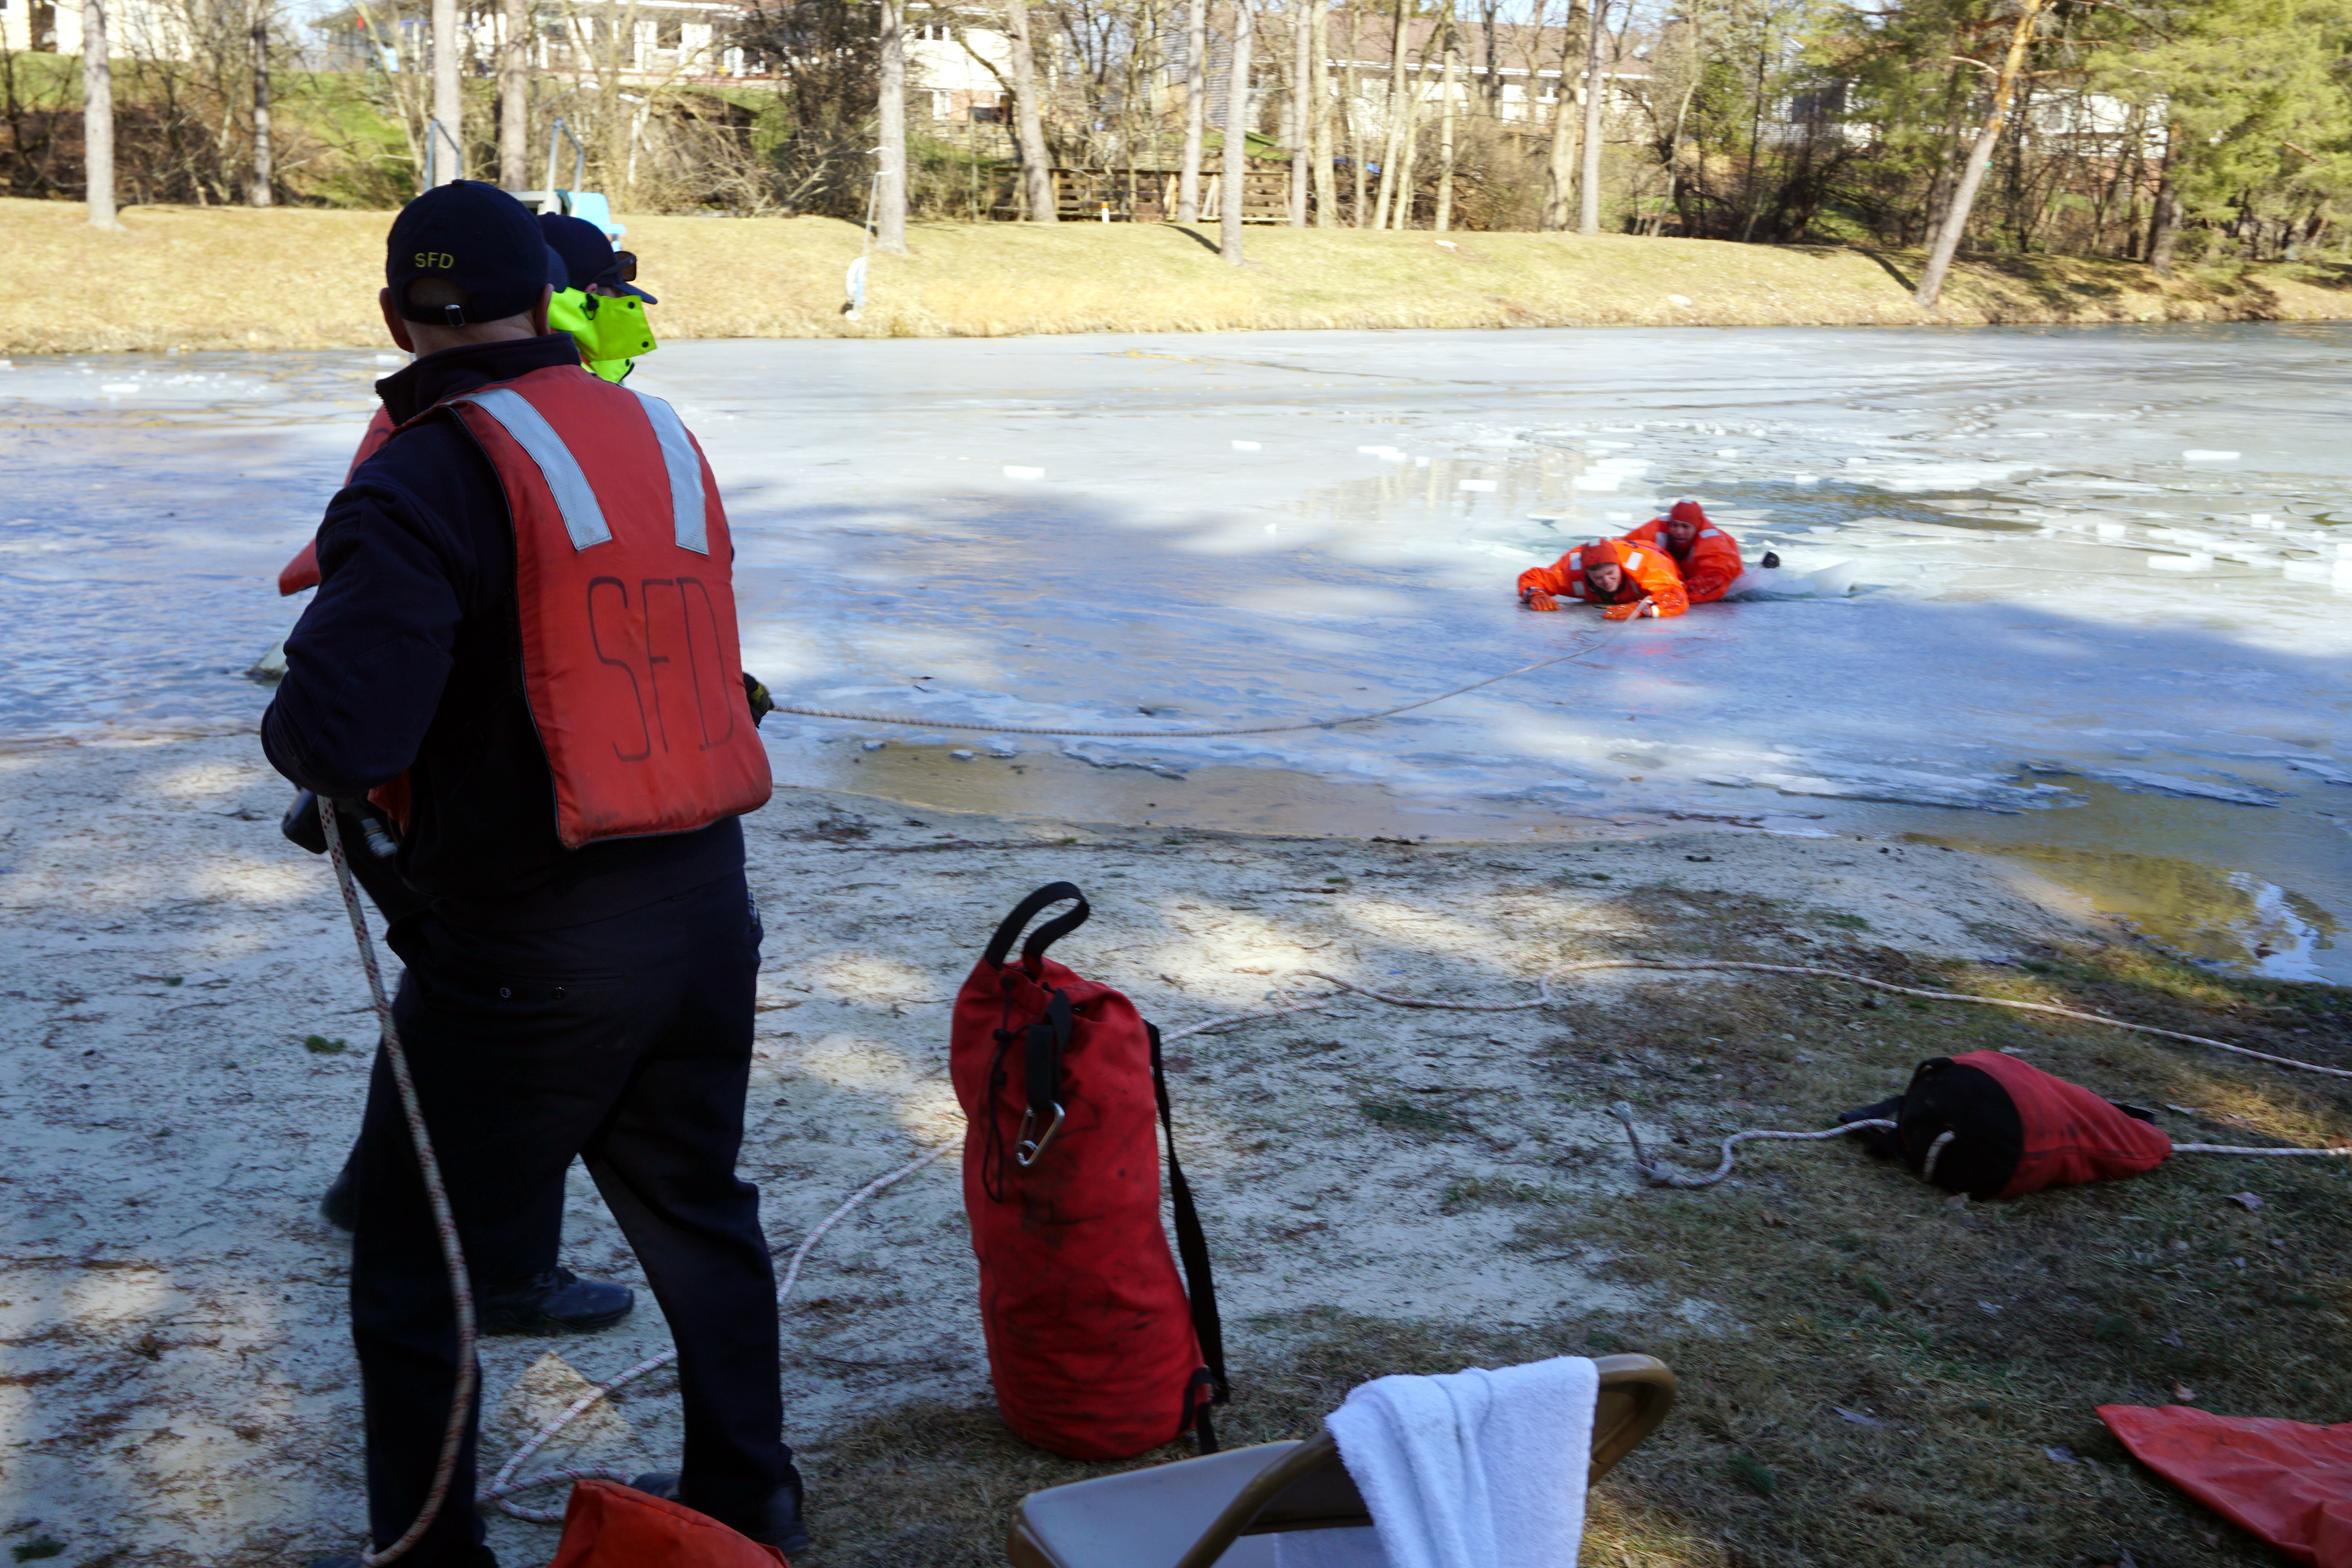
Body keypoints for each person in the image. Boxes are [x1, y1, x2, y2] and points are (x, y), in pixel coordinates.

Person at [266, 181, 806, 1566]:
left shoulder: (423, 466)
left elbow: (344, 734)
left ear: (396, 315)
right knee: (701, 1216)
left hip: (531, 948)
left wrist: (299, 721)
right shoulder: (660, 434)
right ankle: (753, 1501)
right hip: (702, 907)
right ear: (551, 302)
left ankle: (432, 1554)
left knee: (415, 1272)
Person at [540, 211, 657, 383]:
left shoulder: (517, 344)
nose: (619, 302)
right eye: (618, 295)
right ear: (592, 294)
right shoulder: (581, 375)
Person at [1619, 498, 1756, 604]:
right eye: (1674, 525)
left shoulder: (1713, 543)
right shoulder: (1657, 528)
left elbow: (1715, 582)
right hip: (1682, 576)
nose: (1679, 532)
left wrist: (1671, 594)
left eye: (1685, 527)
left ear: (1696, 528)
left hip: (1725, 580)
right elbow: (1621, 548)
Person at [1516, 536, 1690, 619]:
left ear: (1619, 566)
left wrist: (1643, 608)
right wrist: (1536, 594)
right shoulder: (1571, 571)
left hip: (1654, 552)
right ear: (1587, 575)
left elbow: (1676, 594)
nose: (1606, 581)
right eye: (1598, 578)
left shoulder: (1647, 566)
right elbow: (1533, 577)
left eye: (1610, 574)